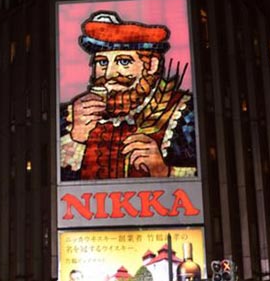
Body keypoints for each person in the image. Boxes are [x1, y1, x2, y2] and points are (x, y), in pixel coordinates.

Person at [59, 10, 198, 180]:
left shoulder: (184, 113)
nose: (109, 73)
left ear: (152, 65)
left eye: (123, 61)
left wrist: (164, 171)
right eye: (102, 62)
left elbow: (209, 174)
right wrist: (75, 139)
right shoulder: (70, 117)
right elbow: (49, 182)